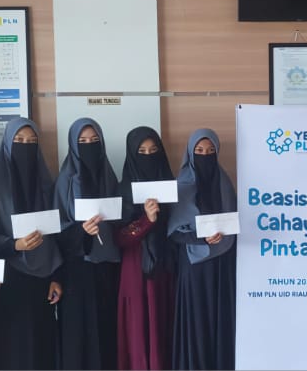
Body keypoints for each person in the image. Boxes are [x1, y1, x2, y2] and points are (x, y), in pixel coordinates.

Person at [0, 117, 63, 370]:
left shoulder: (47, 185)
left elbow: (59, 237)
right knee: (11, 350)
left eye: (31, 142)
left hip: (41, 281)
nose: (25, 146)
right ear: (7, 144)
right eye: (19, 141)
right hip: (6, 282)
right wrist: (15, 245)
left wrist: (56, 276)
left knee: (41, 347)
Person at [54, 118, 122, 369]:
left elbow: (121, 220)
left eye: (94, 140)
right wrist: (80, 231)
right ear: (73, 146)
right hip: (77, 272)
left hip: (108, 268)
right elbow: (56, 230)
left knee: (106, 334)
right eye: (82, 141)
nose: (89, 145)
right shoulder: (65, 181)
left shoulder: (109, 176)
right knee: (80, 339)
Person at [168, 129, 237, 370]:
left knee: (221, 320)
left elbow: (233, 221)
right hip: (194, 266)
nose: (205, 155)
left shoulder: (224, 182)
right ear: (190, 153)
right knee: (198, 322)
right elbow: (173, 233)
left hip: (223, 264)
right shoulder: (181, 186)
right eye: (199, 151)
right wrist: (202, 239)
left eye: (210, 151)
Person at [116, 127, 176, 370]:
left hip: (166, 268)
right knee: (139, 326)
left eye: (153, 151)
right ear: (132, 155)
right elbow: (119, 238)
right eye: (142, 152)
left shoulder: (171, 184)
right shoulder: (122, 190)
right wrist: (147, 220)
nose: (148, 156)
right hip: (135, 268)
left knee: (163, 322)